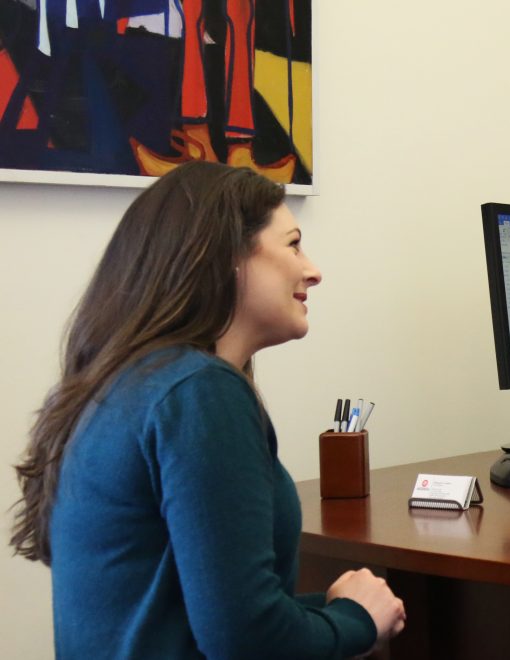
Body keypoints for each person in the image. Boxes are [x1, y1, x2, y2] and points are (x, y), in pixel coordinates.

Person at [10, 162, 404, 658]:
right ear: (227, 256)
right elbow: (247, 640)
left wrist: (327, 610)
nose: (313, 269)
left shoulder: (127, 386)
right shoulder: (200, 392)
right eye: (293, 244)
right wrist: (357, 620)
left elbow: (190, 615)